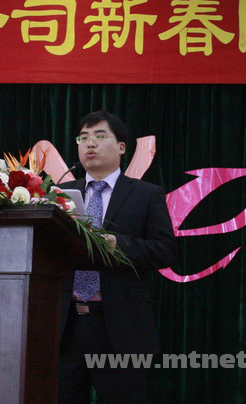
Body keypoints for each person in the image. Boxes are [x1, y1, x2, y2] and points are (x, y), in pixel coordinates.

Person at [58, 111, 176, 404]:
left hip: (120, 326)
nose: (90, 144)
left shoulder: (146, 194)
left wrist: (118, 244)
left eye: (100, 136)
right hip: (65, 326)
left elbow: (165, 250)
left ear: (122, 147)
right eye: (83, 138)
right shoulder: (59, 194)